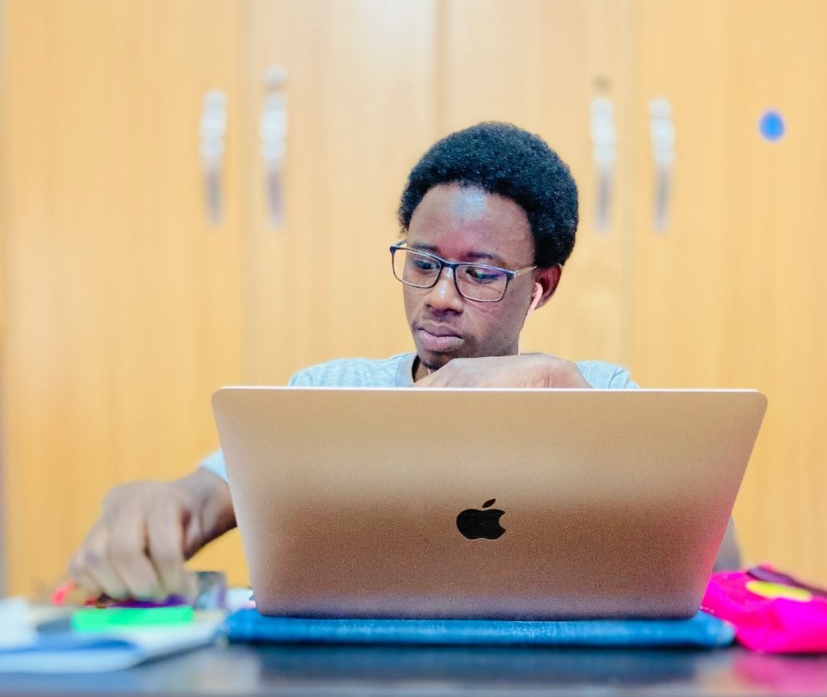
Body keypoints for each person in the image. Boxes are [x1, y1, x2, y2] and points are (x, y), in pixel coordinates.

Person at [68, 121, 740, 601]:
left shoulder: (601, 391)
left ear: (543, 286)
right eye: (423, 263)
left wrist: (562, 386)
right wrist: (164, 503)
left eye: (480, 275)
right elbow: (205, 495)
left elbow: (724, 574)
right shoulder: (330, 392)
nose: (441, 297)